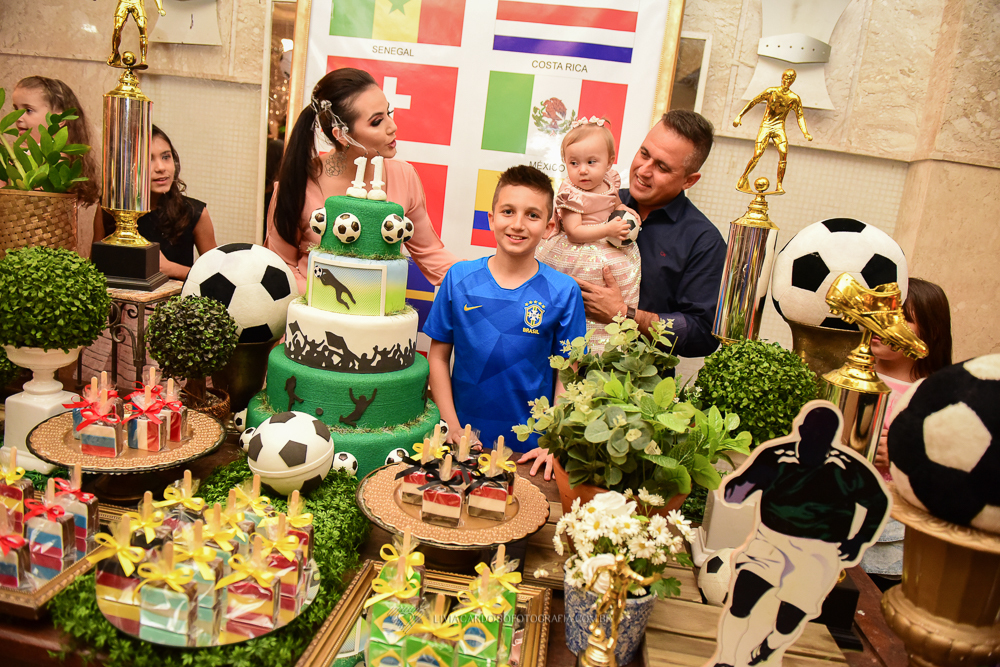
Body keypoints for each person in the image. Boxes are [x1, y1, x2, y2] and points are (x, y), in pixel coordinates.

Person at [709, 403, 890, 667]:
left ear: (832, 439)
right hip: (771, 539)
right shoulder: (775, 456)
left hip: (819, 551)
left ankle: (771, 645)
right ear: (801, 429)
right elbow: (737, 491)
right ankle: (725, 659)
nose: (815, 440)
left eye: (823, 436)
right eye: (811, 433)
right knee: (743, 597)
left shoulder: (848, 468)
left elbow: (878, 503)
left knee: (790, 617)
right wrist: (738, 488)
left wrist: (859, 539)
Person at [424, 165, 586, 453]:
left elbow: (568, 371)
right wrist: (451, 425)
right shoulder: (458, 279)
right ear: (491, 218)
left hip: (531, 449)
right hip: (463, 441)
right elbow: (437, 357)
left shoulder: (564, 291)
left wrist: (553, 441)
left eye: (532, 215)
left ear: (549, 227)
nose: (518, 224)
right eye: (508, 211)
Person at [266, 68, 457, 293]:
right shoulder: (298, 183)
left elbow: (431, 253)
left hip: (379, 312)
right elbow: (281, 266)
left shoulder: (404, 176)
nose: (392, 127)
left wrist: (482, 276)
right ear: (341, 135)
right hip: (313, 310)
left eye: (389, 113)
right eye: (377, 121)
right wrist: (326, 299)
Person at [574, 110, 727, 362]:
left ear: (689, 181)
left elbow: (702, 333)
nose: (644, 171)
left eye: (662, 167)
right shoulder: (593, 201)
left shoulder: (703, 242)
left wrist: (624, 315)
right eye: (644, 154)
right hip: (562, 362)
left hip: (637, 379)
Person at [863, 277, 952, 590]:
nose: (883, 323)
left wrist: (903, 458)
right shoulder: (849, 375)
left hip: (890, 543)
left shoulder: (939, 397)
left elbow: (950, 472)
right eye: (880, 312)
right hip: (831, 521)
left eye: (902, 317)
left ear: (931, 330)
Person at [535, 116, 640, 354]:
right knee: (574, 298)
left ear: (609, 162)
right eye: (574, 163)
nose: (582, 170)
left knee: (621, 281)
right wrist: (608, 229)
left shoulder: (610, 181)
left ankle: (608, 344)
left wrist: (627, 212)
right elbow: (574, 232)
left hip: (608, 244)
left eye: (592, 162)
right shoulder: (571, 193)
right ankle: (565, 342)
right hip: (577, 249)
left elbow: (616, 204)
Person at [93, 125, 217, 279]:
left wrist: (172, 269)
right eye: (148, 159)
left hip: (176, 295)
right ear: (127, 166)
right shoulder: (108, 208)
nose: (161, 168)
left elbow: (217, 278)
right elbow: (93, 269)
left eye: (166, 157)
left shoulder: (194, 213)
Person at [11, 76, 100, 207]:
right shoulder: (26, 151)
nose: (18, 117)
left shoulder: (57, 159)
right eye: (16, 110)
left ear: (58, 119)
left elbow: (36, 204)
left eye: (28, 110)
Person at [733, 68, 812, 194]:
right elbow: (753, 101)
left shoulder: (794, 98)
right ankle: (744, 177)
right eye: (786, 78)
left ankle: (779, 185)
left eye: (791, 79)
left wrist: (805, 132)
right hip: (766, 126)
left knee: (783, 153)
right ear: (782, 78)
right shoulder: (771, 91)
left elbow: (800, 116)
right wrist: (739, 116)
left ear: (793, 81)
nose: (788, 81)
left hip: (779, 127)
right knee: (757, 154)